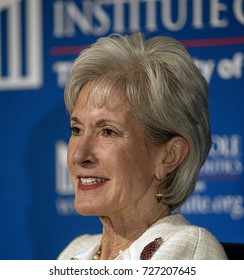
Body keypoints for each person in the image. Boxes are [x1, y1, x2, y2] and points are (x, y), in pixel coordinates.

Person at [58, 32, 227, 260]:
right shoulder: (75, 252)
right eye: (76, 130)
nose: (79, 154)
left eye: (108, 131)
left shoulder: (187, 249)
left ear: (169, 156)